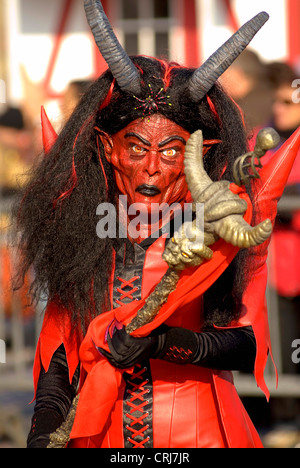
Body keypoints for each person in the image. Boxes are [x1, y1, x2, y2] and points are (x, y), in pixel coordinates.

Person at [13, 2, 300, 449]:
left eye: (170, 151)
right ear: (109, 148)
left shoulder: (218, 229)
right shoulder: (81, 232)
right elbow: (60, 358)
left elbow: (244, 345)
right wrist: (43, 429)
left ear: (197, 156)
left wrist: (164, 342)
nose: (151, 169)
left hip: (198, 436)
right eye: (137, 147)